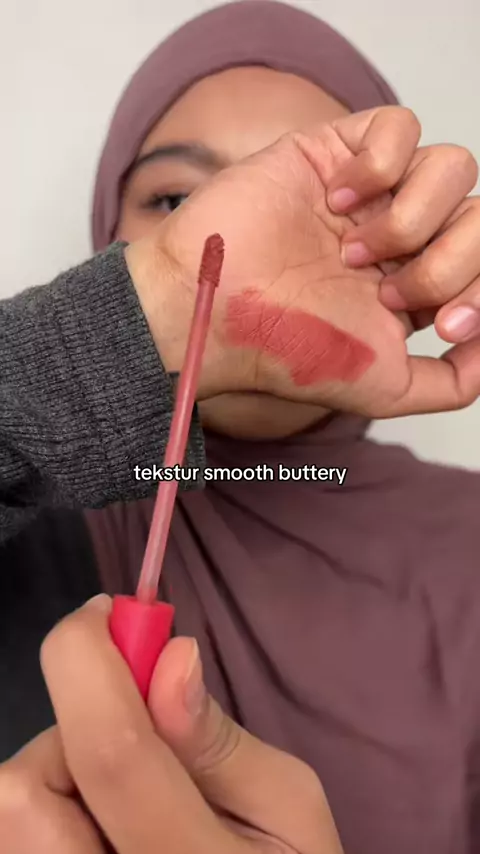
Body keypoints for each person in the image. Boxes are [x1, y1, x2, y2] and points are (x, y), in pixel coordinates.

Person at [2, 2, 480, 852]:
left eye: (337, 206)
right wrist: (154, 303)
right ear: (108, 238)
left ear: (409, 249)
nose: (250, 246)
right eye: (176, 199)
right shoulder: (33, 513)